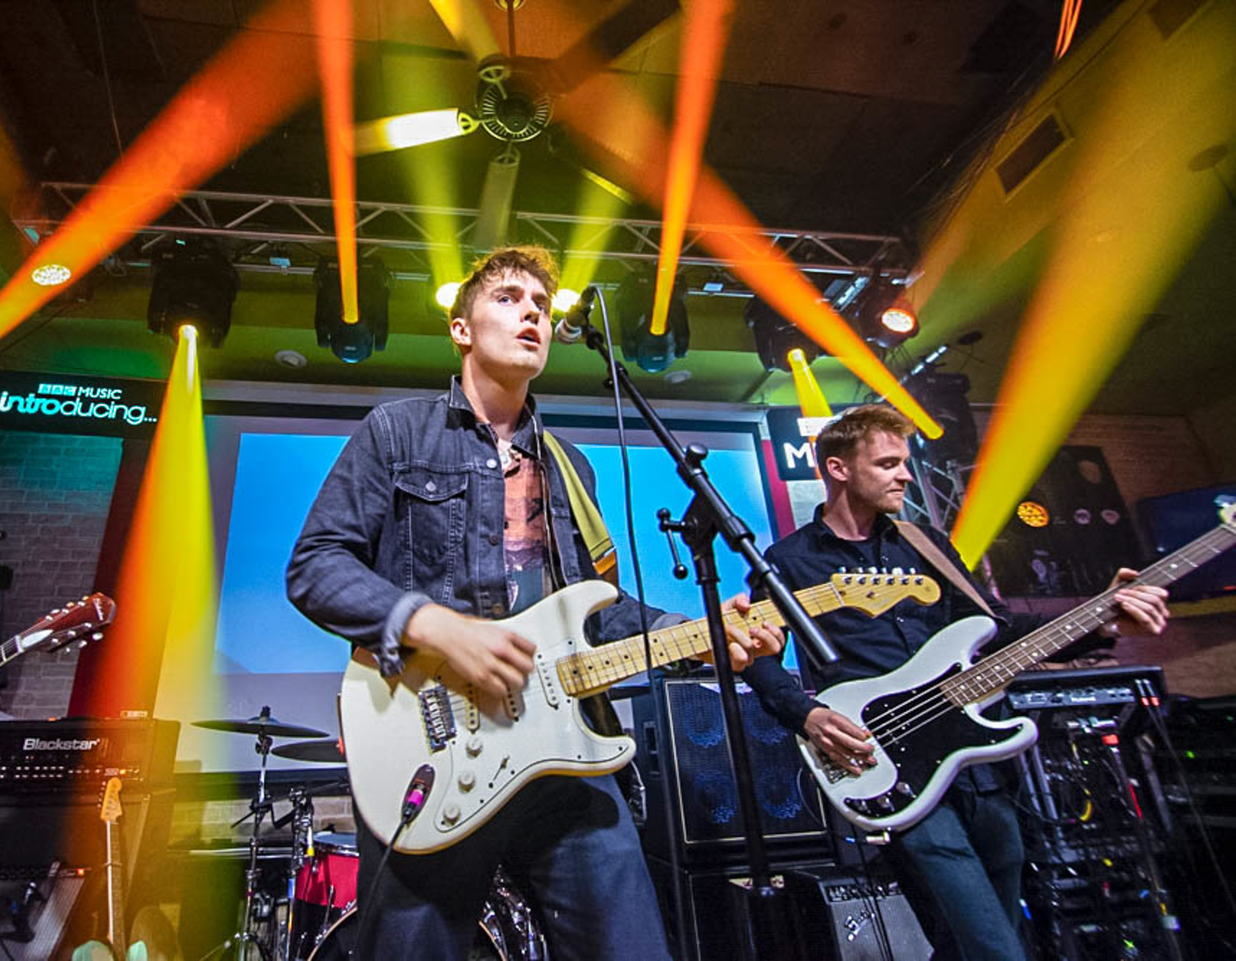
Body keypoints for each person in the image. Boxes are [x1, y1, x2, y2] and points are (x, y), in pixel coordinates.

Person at [286, 246, 781, 960]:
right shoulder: (397, 432)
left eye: (542, 307)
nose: (533, 315)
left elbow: (599, 608)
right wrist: (436, 628)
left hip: (564, 752)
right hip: (432, 750)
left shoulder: (570, 466)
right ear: (461, 328)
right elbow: (315, 565)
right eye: (510, 298)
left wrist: (697, 632)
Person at [742, 404, 1169, 960]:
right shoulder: (789, 560)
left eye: (906, 463)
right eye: (889, 463)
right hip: (889, 760)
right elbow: (756, 655)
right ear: (838, 468)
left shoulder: (926, 546)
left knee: (981, 932)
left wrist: (1100, 616)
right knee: (993, 946)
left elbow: (996, 628)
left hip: (977, 761)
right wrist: (807, 715)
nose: (905, 475)